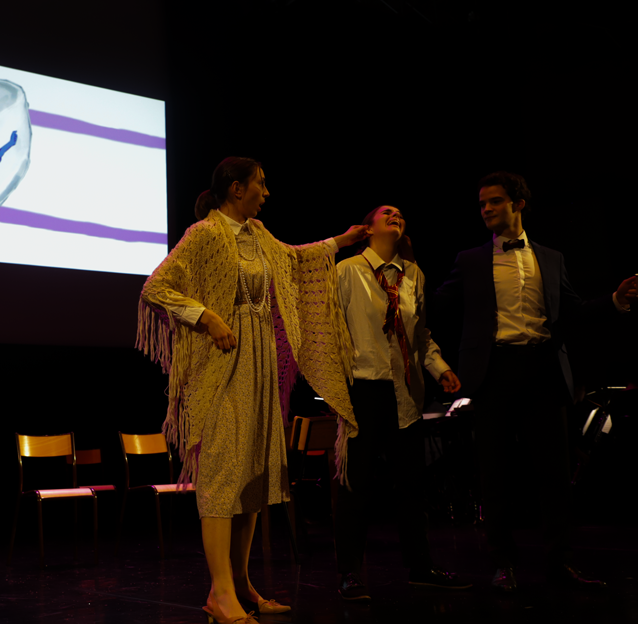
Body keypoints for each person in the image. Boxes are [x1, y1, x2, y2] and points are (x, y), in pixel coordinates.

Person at [137, 157, 367, 624]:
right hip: (222, 366)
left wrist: (339, 242)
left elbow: (295, 259)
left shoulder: (259, 234)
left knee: (253, 478)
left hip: (259, 364)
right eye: (260, 184)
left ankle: (240, 585)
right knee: (222, 477)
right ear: (236, 188)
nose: (266, 192)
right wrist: (205, 316)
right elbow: (156, 287)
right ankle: (220, 592)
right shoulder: (204, 233)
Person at [434, 171, 638, 592]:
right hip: (494, 374)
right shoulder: (470, 260)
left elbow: (573, 310)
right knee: (494, 473)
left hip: (543, 369)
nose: (486, 209)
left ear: (518, 204)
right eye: (481, 204)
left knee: (554, 473)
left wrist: (615, 302)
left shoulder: (550, 257)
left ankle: (559, 563)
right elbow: (436, 305)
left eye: (494, 201)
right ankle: (502, 563)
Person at [333, 205, 470, 601]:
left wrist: (439, 368)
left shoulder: (414, 275)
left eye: (400, 213)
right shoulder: (347, 271)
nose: (396, 214)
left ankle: (420, 566)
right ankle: (348, 572)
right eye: (386, 211)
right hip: (362, 388)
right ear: (367, 226)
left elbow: (420, 334)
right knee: (355, 484)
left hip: (405, 390)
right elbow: (330, 330)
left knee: (411, 483)